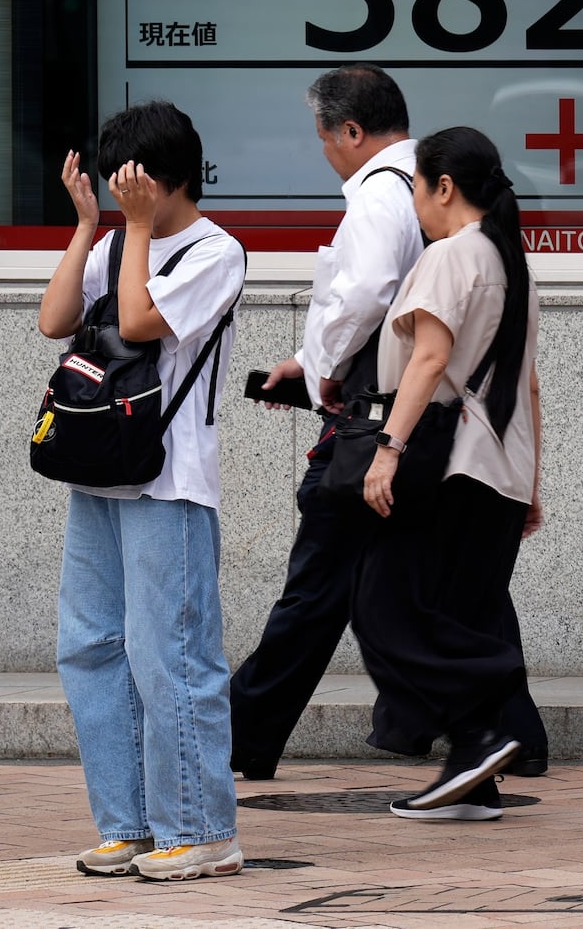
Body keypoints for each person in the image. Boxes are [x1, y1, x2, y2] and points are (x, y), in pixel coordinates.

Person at [227, 65, 550, 781]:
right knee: (443, 595)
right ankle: (496, 732)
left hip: (403, 434)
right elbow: (523, 377)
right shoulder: (502, 251)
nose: (325, 153)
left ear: (350, 131)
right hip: (471, 452)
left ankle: (474, 731)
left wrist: (340, 393)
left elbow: (410, 336)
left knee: (359, 598)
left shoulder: (408, 217)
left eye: (324, 138)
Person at [40, 101, 247, 880]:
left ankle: (201, 827)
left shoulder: (217, 252)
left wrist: (130, 232)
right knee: (89, 646)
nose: (125, 189)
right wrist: (90, 227)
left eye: (136, 181)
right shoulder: (119, 237)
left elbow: (135, 315)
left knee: (172, 654)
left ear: (171, 181)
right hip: (99, 474)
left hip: (169, 482)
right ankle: (127, 823)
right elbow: (55, 317)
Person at [351, 126, 545, 820]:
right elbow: (527, 387)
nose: (414, 208)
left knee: (383, 604)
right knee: (458, 607)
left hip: (446, 457)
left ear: (443, 187)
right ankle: (476, 765)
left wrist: (388, 448)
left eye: (416, 191)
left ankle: (491, 713)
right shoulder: (508, 259)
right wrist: (532, 483)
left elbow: (429, 361)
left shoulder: (453, 255)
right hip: (499, 466)